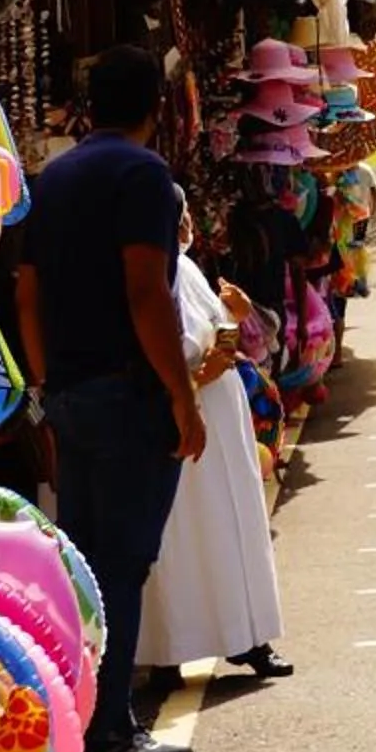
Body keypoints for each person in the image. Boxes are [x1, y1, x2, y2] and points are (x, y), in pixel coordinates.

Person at [14, 47, 206, 752]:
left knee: (83, 567)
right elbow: (146, 291)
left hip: (70, 392)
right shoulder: (144, 176)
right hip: (128, 395)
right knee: (121, 566)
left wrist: (46, 383)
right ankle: (110, 731)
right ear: (158, 105)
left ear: (90, 106)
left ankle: (82, 718)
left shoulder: (54, 177)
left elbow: (28, 293)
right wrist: (182, 396)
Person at [139, 190, 290, 685]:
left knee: (231, 524)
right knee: (182, 532)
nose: (187, 225)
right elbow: (176, 353)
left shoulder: (184, 268)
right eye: (179, 216)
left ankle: (245, 637)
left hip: (218, 413)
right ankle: (171, 649)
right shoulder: (153, 276)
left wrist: (235, 318)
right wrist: (200, 375)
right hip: (187, 414)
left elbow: (212, 337)